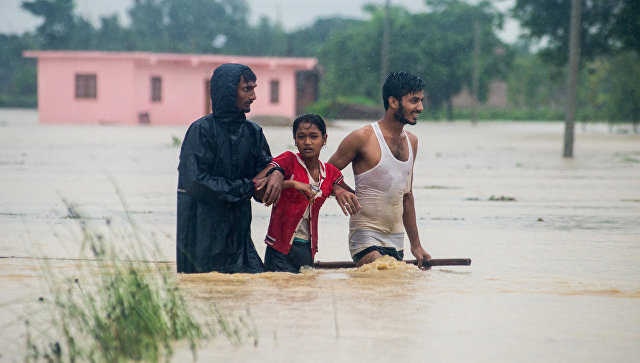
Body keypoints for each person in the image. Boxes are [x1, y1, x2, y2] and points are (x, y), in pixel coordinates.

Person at [176, 63, 283, 274]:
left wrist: (278, 172)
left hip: (240, 239)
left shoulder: (253, 132)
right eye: (247, 89)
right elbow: (196, 183)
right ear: (227, 91)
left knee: (249, 290)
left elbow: (266, 170)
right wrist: (248, 187)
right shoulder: (201, 131)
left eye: (254, 88)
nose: (254, 96)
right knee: (206, 290)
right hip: (202, 239)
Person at [327, 71, 432, 268]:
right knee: (381, 272)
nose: (420, 107)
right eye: (414, 101)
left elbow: (407, 196)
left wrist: (416, 246)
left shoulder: (412, 142)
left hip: (396, 239)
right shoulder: (363, 137)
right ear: (393, 102)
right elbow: (324, 173)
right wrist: (338, 189)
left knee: (393, 292)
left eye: (421, 101)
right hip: (365, 236)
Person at [254, 114, 360, 273]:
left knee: (307, 294)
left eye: (314, 136)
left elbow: (352, 193)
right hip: (279, 249)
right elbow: (256, 185)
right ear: (295, 140)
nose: (307, 142)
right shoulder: (288, 160)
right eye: (301, 137)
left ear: (324, 139)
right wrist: (291, 184)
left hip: (307, 249)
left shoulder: (329, 172)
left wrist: (339, 191)